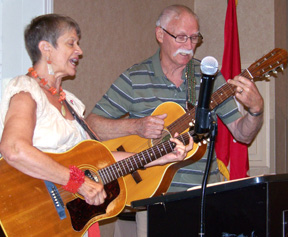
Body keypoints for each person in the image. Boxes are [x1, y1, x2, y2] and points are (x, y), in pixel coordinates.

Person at [0, 13, 193, 237]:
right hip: (32, 213)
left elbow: (103, 160)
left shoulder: (70, 103)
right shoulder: (26, 91)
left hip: (72, 221)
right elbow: (14, 149)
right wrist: (78, 182)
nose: (79, 51)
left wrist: (164, 156)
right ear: (46, 49)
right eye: (71, 43)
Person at [86, 4, 264, 236]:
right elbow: (91, 125)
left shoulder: (210, 77)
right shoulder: (134, 78)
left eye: (194, 38)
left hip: (205, 198)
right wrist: (136, 126)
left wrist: (256, 110)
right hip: (153, 200)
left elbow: (242, 134)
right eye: (181, 37)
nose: (189, 46)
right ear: (160, 34)